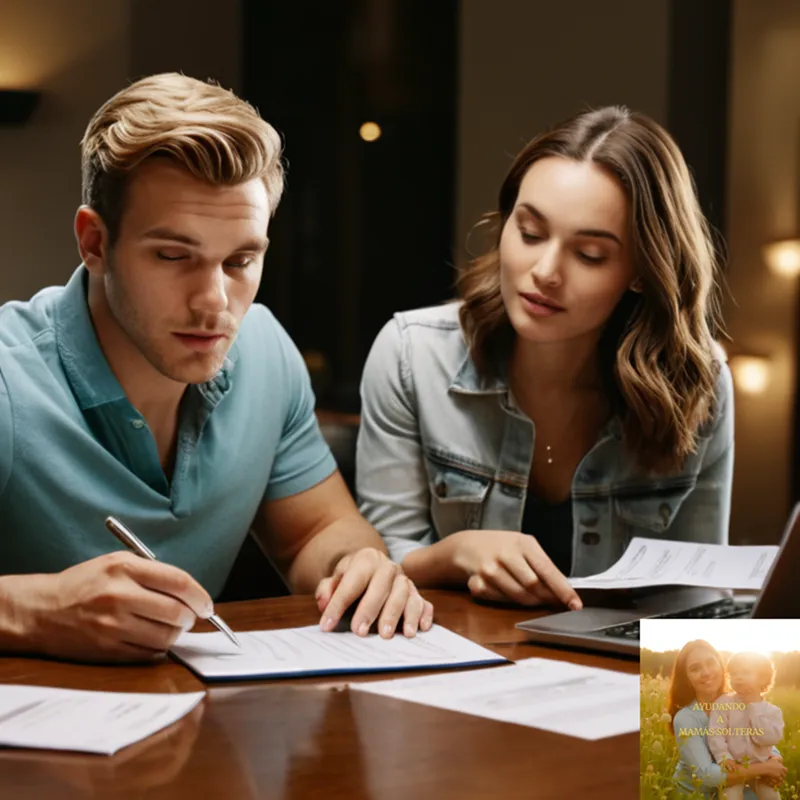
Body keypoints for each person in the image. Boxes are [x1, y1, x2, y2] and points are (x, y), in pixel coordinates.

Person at [0, 73, 433, 663]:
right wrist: (34, 609)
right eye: (174, 256)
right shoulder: (8, 378)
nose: (214, 302)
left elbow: (315, 531)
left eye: (240, 260)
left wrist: (357, 565)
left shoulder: (263, 348)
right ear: (95, 242)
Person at [356, 105, 734, 609]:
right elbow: (382, 565)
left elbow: (700, 595)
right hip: (457, 671)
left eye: (589, 255)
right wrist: (460, 552)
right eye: (530, 233)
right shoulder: (412, 354)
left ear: (643, 271)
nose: (545, 271)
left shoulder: (696, 381)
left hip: (619, 679)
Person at [668, 640, 786, 798]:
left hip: (738, 781)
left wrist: (775, 759)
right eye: (695, 669)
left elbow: (757, 736)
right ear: (686, 677)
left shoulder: (741, 701)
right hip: (699, 793)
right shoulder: (685, 718)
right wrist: (765, 768)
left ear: (721, 666)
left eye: (711, 663)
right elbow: (706, 775)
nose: (706, 672)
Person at [707, 651, 784, 800]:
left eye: (746, 672)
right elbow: (716, 733)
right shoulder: (723, 704)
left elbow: (767, 739)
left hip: (761, 769)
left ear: (762, 678)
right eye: (734, 673)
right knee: (729, 797)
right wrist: (724, 757)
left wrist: (754, 707)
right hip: (735, 767)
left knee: (772, 797)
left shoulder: (773, 712)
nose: (739, 677)